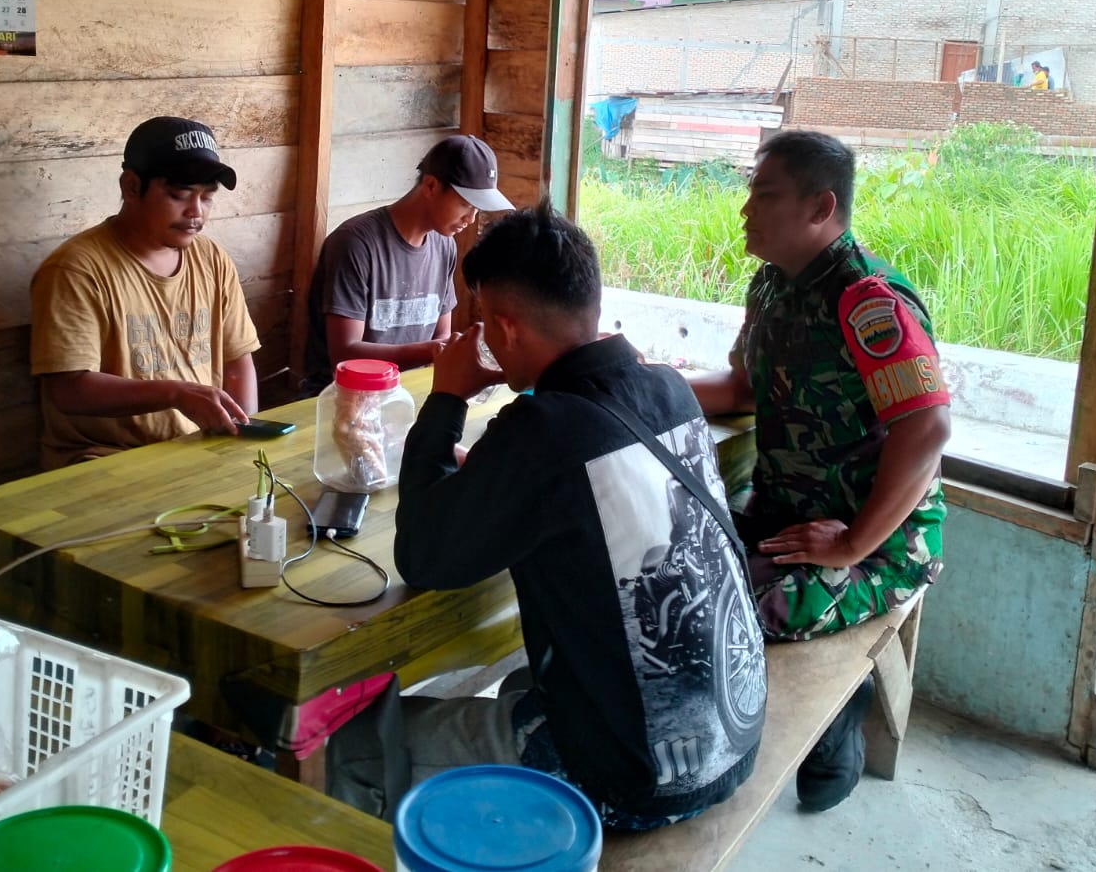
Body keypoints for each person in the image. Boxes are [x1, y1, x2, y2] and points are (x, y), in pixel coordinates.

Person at [327, 203, 767, 831]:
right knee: (516, 687)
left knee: (349, 743)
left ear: (506, 329)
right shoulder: (667, 388)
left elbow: (422, 556)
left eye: (483, 320)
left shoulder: (541, 430)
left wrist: (447, 397)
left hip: (632, 779)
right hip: (730, 733)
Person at [688, 129, 950, 810]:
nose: (746, 209)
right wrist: (639, 382)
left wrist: (855, 542)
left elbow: (927, 428)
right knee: (671, 567)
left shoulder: (868, 301)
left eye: (765, 194)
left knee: (725, 612)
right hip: (788, 519)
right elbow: (742, 388)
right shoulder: (773, 285)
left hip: (879, 546)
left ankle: (837, 721)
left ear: (820, 207)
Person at [29, 116, 261, 469]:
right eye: (179, 194)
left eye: (207, 197)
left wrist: (242, 434)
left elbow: (237, 361)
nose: (196, 212)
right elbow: (69, 389)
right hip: (104, 460)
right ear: (132, 186)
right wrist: (175, 393)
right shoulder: (76, 269)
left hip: (200, 449)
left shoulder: (211, 258)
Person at [301, 134, 512, 391]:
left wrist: (445, 350)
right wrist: (436, 350)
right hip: (340, 395)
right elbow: (345, 355)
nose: (471, 219)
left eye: (478, 209)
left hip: (406, 390)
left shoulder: (444, 246)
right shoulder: (355, 243)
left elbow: (441, 336)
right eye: (466, 204)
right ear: (431, 186)